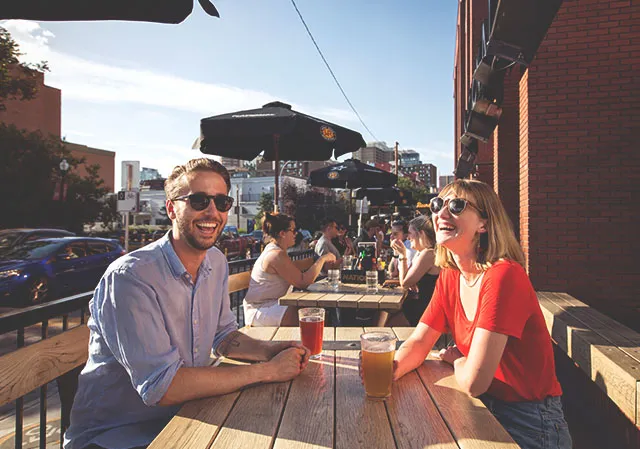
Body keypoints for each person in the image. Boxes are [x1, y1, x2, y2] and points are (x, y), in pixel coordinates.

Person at [64, 158, 310, 449]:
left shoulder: (216, 262)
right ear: (171, 208)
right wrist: (267, 371)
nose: (212, 211)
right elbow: (162, 387)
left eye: (221, 202)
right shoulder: (131, 278)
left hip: (187, 415)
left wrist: (270, 350)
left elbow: (224, 336)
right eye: (198, 200)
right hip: (117, 437)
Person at [390, 179, 571, 449]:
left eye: (457, 205)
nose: (441, 213)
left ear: (484, 224)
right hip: (479, 407)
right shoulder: (451, 276)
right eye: (438, 205)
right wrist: (389, 369)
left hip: (529, 422)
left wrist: (458, 361)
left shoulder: (503, 276)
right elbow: (419, 342)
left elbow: (475, 381)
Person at [244, 212, 336, 326]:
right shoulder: (275, 255)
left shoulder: (277, 251)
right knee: (310, 315)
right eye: (292, 230)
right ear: (282, 233)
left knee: (315, 312)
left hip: (273, 305)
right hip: (259, 310)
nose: (296, 233)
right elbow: (303, 282)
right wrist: (322, 259)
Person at [385, 216, 440, 327]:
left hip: (426, 308)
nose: (408, 238)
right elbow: (406, 279)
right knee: (383, 313)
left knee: (388, 325)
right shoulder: (421, 253)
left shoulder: (428, 253)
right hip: (421, 303)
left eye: (410, 233)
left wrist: (402, 255)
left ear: (421, 234)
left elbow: (405, 283)